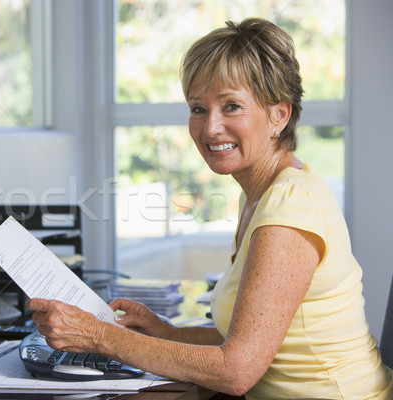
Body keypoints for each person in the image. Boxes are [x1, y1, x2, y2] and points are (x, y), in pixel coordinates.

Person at [27, 18, 393, 399]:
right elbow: (255, 336)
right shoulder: (260, 193)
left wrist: (99, 336)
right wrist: (169, 334)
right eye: (198, 108)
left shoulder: (291, 205)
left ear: (279, 116)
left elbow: (236, 371)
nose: (211, 128)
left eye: (231, 106)